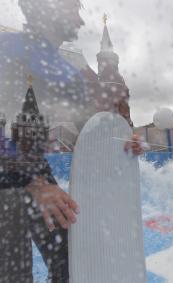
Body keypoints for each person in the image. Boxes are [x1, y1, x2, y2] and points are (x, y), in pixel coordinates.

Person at [0, 1, 143, 282]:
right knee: (14, 271)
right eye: (72, 6)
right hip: (7, 176)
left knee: (71, 259)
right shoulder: (7, 48)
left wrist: (124, 141)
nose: (79, 16)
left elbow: (92, 129)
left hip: (35, 171)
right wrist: (34, 182)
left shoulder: (69, 75)